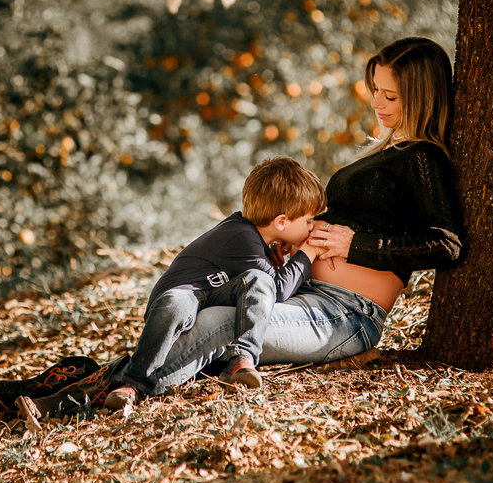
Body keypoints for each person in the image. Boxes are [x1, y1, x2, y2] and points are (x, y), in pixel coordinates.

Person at [0, 36, 463, 421]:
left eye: (390, 95)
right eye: (374, 90)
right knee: (194, 319)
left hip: (345, 315)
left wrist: (357, 244)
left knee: (217, 324)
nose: (377, 103)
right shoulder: (386, 152)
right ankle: (54, 388)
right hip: (305, 294)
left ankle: (79, 399)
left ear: (420, 96)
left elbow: (446, 246)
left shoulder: (424, 158)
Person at [98, 156, 325, 411]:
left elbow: (265, 286)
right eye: (308, 221)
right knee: (177, 304)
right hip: (184, 293)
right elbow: (281, 290)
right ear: (281, 222)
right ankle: (133, 383)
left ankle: (242, 359)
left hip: (211, 294)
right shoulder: (241, 236)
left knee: (260, 281)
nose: (311, 228)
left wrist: (271, 256)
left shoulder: (254, 239)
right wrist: (307, 253)